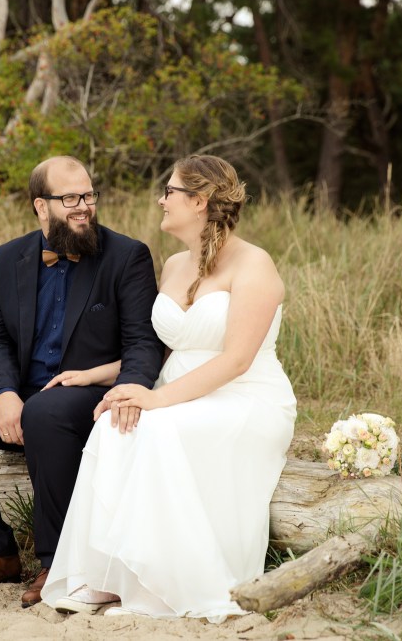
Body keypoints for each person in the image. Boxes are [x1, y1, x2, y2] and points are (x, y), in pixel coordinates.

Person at [40, 154, 297, 622]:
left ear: (198, 202)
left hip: (244, 398)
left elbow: (236, 359)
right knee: (114, 426)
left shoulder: (254, 264)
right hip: (179, 392)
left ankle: (160, 590)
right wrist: (100, 376)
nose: (161, 199)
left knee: (154, 429)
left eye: (170, 191)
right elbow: (166, 346)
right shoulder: (176, 264)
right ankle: (106, 579)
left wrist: (156, 399)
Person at [0, 156, 163, 607]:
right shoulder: (9, 257)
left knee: (46, 412)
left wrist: (128, 390)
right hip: (26, 395)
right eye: (70, 198)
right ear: (41, 206)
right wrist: (5, 393)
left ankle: (57, 562)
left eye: (88, 195)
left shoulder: (127, 256)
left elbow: (144, 343)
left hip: (87, 398)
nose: (83, 206)